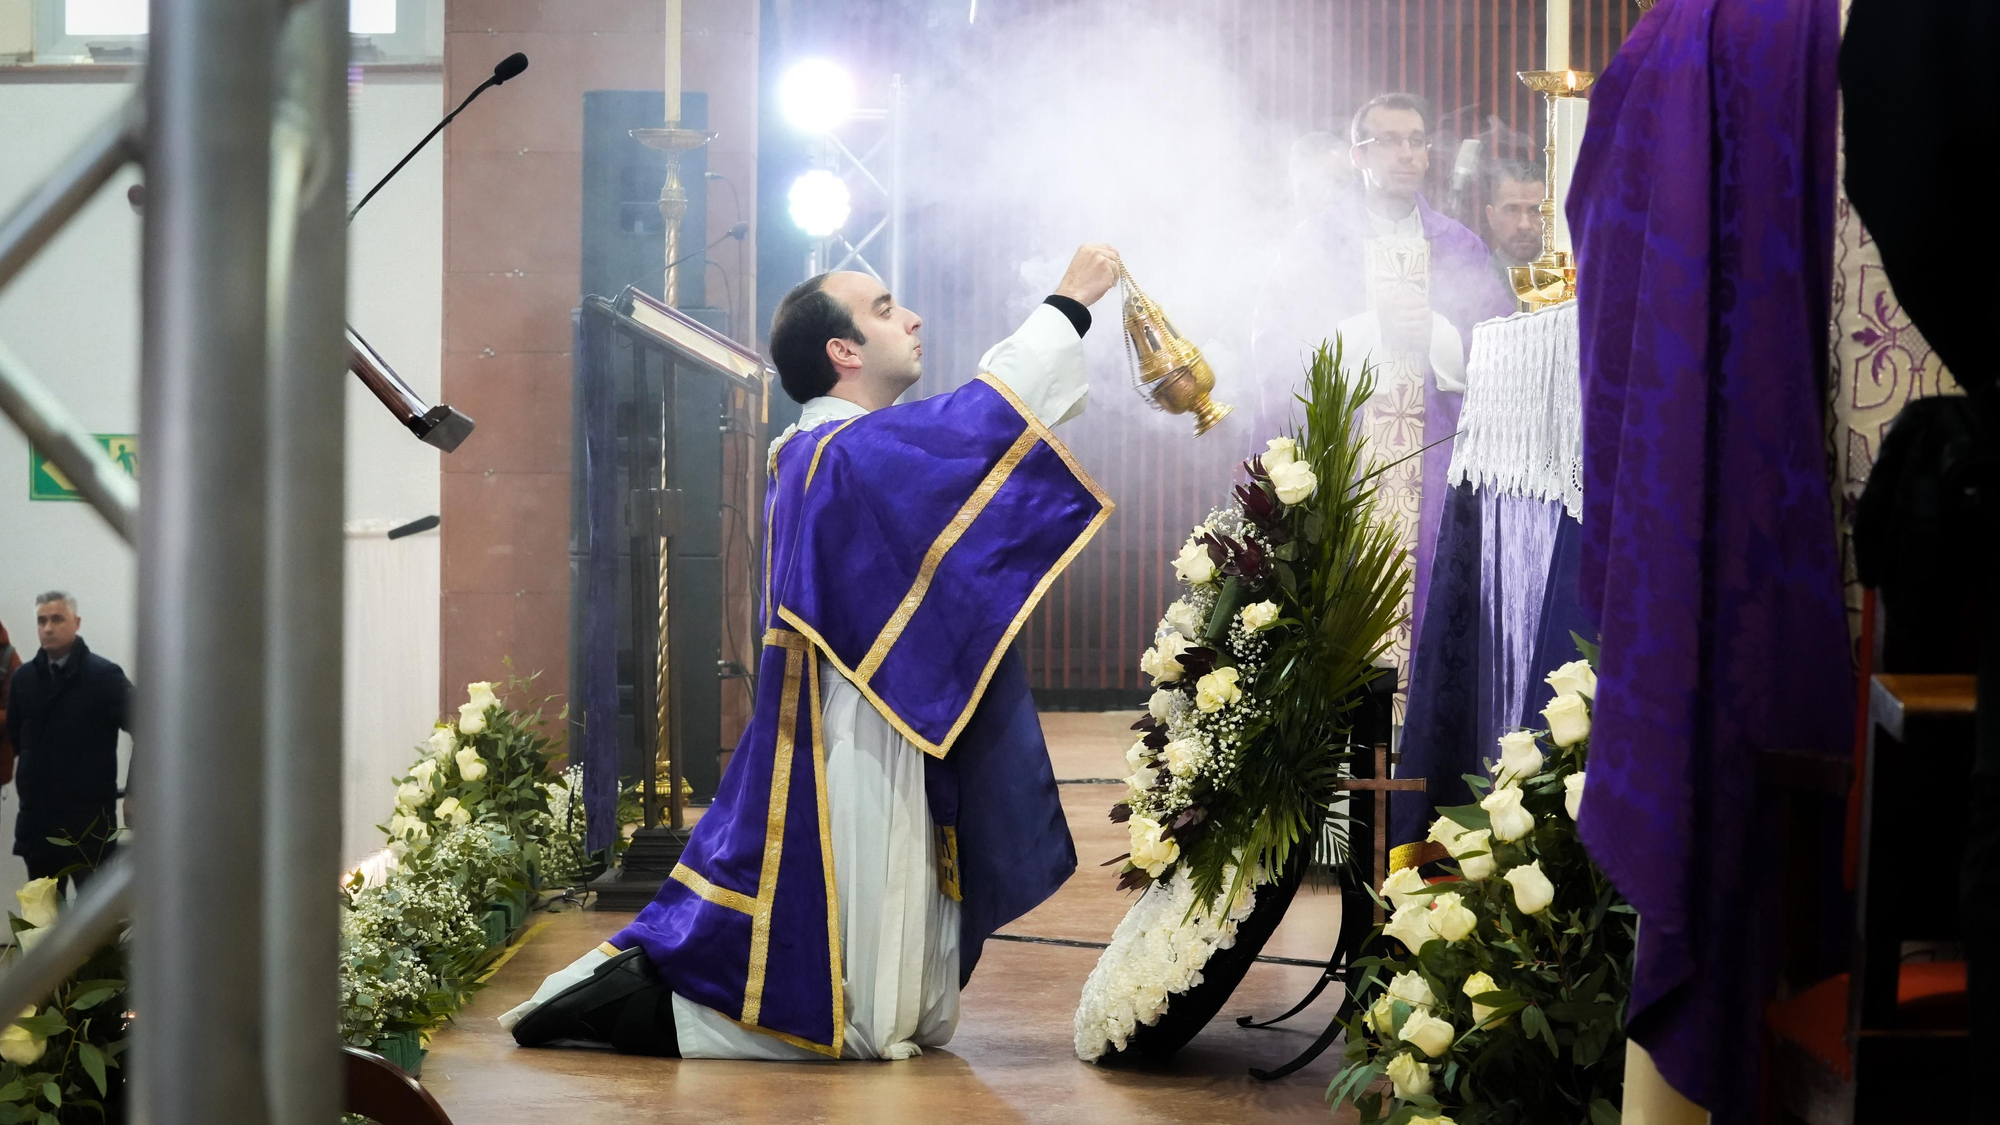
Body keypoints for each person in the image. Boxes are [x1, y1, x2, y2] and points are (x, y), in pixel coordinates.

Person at [505, 245, 1120, 1060]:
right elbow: (988, 415)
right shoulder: (840, 452)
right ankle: (648, 1012)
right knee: (845, 995)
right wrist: (1069, 301)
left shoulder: (838, 449)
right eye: (885, 307)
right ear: (843, 351)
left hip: (875, 709)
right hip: (853, 728)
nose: (912, 317)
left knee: (873, 980)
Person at [1253, 92, 1515, 687]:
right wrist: (1374, 331)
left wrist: (1437, 334)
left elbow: (1496, 351)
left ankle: (1423, 762)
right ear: (1358, 155)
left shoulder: (1459, 246)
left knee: (1432, 604)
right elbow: (1275, 350)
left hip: (1436, 465)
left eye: (1417, 140)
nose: (1407, 154)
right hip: (1344, 463)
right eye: (1390, 141)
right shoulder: (1315, 244)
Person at [6, 592, 132, 891]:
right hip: (37, 826)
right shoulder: (23, 680)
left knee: (97, 929)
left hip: (89, 826)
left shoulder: (104, 677)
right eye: (42, 620)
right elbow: (15, 736)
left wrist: (135, 793)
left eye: (57, 619)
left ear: (76, 623)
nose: (48, 628)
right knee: (41, 925)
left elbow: (149, 728)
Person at [1483, 160, 1546, 281]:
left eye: (1535, 211)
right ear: (1491, 217)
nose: (1524, 225)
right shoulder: (1472, 286)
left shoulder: (1572, 285)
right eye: (1512, 210)